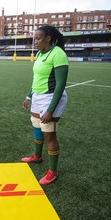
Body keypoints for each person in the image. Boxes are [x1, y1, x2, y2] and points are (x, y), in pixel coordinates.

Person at [20, 25, 69, 185]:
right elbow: (37, 79)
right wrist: (29, 96)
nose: (35, 41)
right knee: (36, 127)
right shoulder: (40, 54)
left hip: (51, 98)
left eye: (38, 38)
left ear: (48, 38)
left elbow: (61, 85)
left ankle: (53, 172)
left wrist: (50, 110)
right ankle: (37, 156)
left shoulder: (58, 54)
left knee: (49, 135)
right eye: (34, 38)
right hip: (38, 97)